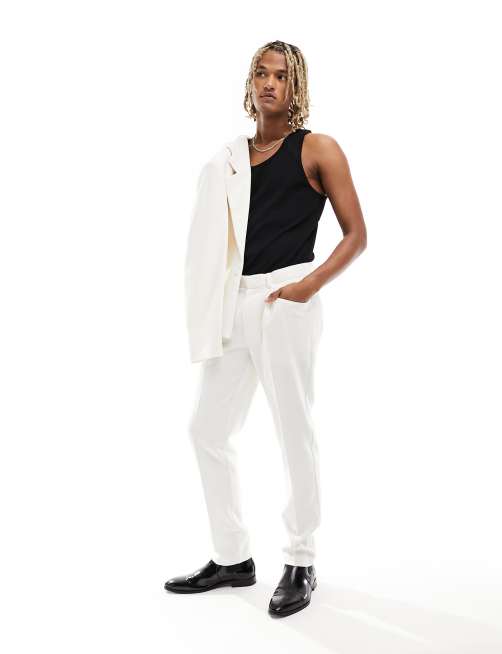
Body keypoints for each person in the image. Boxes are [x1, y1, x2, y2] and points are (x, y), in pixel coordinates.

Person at [165, 40, 367, 618]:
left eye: (281, 75)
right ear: (250, 83)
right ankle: (232, 557)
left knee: (292, 428)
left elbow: (356, 234)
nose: (270, 82)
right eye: (261, 72)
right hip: (236, 301)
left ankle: (301, 559)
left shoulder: (316, 148)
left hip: (286, 297)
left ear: (295, 85)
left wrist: (308, 285)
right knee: (207, 428)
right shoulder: (231, 158)